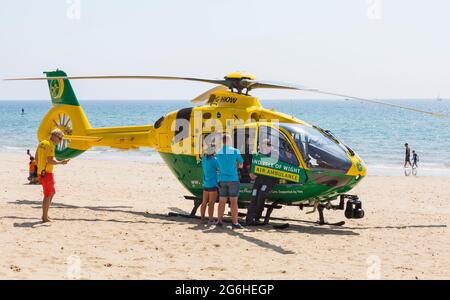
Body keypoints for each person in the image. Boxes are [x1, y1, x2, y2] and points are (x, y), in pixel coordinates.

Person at [35, 128, 70, 223]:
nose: (60, 140)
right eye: (60, 138)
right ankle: (44, 217)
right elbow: (50, 160)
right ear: (54, 136)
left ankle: (45, 214)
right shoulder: (50, 145)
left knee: (52, 192)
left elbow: (36, 158)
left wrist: (40, 168)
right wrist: (61, 162)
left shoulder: (42, 143)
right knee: (47, 195)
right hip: (46, 174)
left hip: (40, 173)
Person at [246, 138, 278, 226]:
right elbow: (253, 166)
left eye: (266, 145)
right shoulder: (258, 154)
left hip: (270, 179)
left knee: (261, 194)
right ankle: (249, 219)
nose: (263, 148)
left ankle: (257, 217)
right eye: (262, 145)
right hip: (259, 178)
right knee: (254, 195)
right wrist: (251, 173)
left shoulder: (274, 154)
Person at [215, 134, 244, 229]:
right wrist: (235, 165)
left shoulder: (218, 152)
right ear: (229, 141)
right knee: (234, 202)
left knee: (222, 201)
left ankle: (219, 221)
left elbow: (218, 166)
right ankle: (235, 223)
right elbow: (241, 165)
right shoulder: (236, 151)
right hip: (233, 179)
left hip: (222, 179)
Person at [200, 144, 219, 225]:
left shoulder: (204, 159)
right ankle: (211, 220)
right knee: (211, 203)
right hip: (213, 184)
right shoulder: (215, 160)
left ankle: (202, 219)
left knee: (204, 202)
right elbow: (220, 168)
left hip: (206, 183)